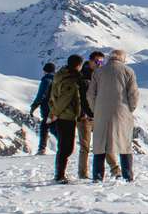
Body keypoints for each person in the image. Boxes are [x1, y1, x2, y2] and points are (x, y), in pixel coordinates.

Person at [86, 48, 139, 182]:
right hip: (122, 112)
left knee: (100, 145)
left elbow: (90, 94)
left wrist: (95, 109)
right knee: (124, 144)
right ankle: (128, 176)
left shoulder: (98, 72)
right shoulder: (128, 71)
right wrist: (129, 109)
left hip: (101, 113)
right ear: (122, 59)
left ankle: (98, 177)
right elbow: (133, 94)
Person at [47, 54, 85, 182]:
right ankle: (59, 175)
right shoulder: (71, 80)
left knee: (63, 146)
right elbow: (65, 99)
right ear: (78, 65)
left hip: (62, 116)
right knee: (66, 147)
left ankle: (59, 173)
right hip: (66, 116)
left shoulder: (60, 75)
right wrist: (55, 113)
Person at [77, 51, 103, 176]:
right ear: (91, 61)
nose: (100, 64)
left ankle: (113, 170)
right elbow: (81, 98)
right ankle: (83, 173)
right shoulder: (83, 76)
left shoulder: (99, 75)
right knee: (85, 147)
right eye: (98, 61)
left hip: (97, 114)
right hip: (85, 117)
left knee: (102, 144)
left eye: (102, 62)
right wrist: (85, 113)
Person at [26, 61, 56, 156]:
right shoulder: (58, 80)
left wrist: (34, 106)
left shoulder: (46, 80)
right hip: (57, 108)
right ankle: (65, 146)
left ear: (45, 71)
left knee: (45, 127)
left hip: (48, 108)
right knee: (53, 128)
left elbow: (41, 95)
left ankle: (42, 149)